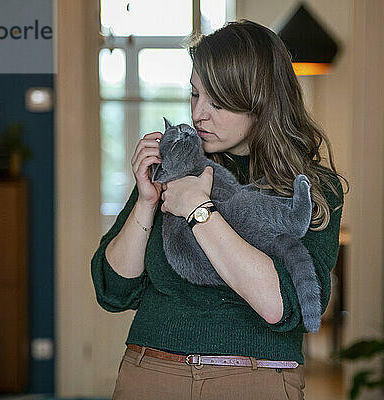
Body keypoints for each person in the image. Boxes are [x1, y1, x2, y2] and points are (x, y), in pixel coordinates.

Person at [91, 19, 346, 400]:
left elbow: (282, 305)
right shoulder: (177, 163)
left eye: (218, 102)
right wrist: (147, 200)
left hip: (257, 379)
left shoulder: (314, 191)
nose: (198, 115)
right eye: (194, 95)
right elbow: (114, 290)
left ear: (262, 101)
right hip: (152, 372)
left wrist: (200, 210)